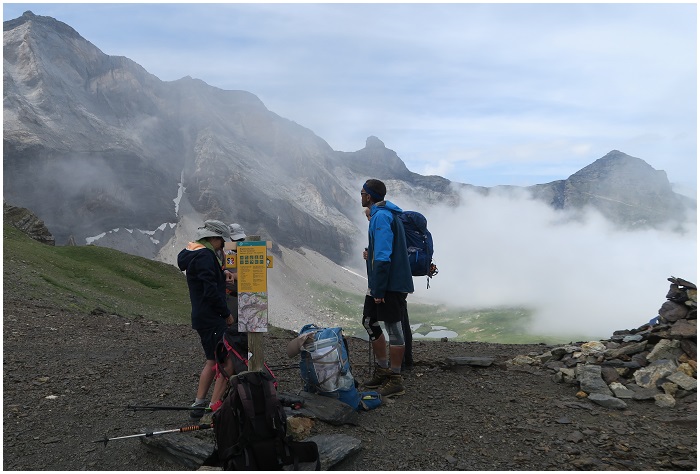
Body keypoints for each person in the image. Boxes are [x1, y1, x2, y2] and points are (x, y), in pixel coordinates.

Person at [360, 179, 414, 397]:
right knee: (369, 321)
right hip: (382, 283)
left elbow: (383, 256)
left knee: (394, 328)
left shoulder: (381, 217)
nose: (361, 196)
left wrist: (379, 290)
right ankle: (383, 370)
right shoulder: (382, 215)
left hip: (390, 284)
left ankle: (395, 378)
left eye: (362, 193)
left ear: (369, 196)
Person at [177, 219, 235, 420]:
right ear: (214, 238)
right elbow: (210, 291)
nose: (222, 246)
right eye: (222, 241)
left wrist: (222, 272)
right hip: (212, 317)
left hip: (203, 317)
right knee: (227, 362)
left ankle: (199, 405)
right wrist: (226, 314)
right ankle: (214, 409)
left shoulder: (196, 252)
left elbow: (206, 276)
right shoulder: (205, 256)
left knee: (212, 359)